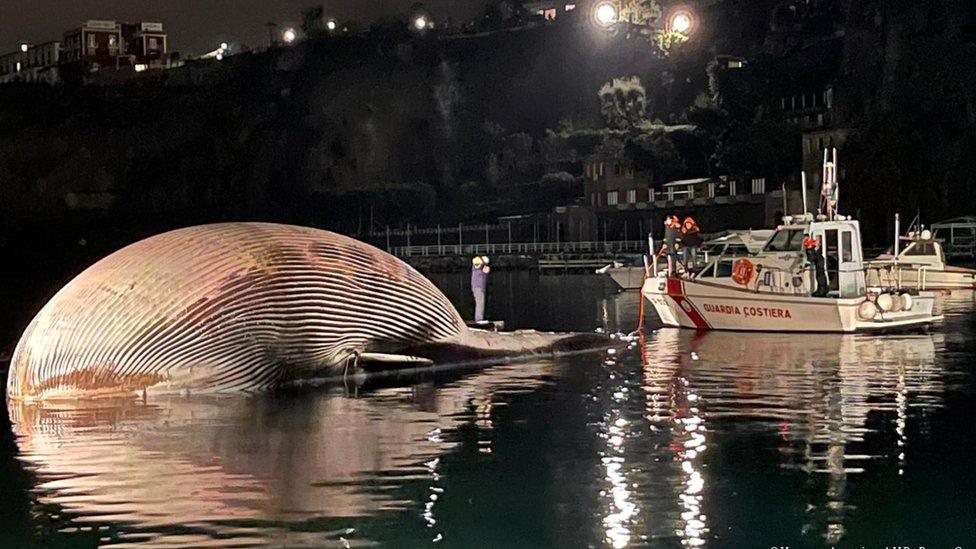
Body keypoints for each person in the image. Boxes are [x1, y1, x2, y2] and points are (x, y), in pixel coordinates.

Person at [471, 256, 490, 322]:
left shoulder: (476, 268)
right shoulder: (479, 268)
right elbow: (486, 270)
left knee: (479, 303)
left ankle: (479, 319)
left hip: (477, 287)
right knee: (480, 303)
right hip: (478, 288)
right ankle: (479, 319)